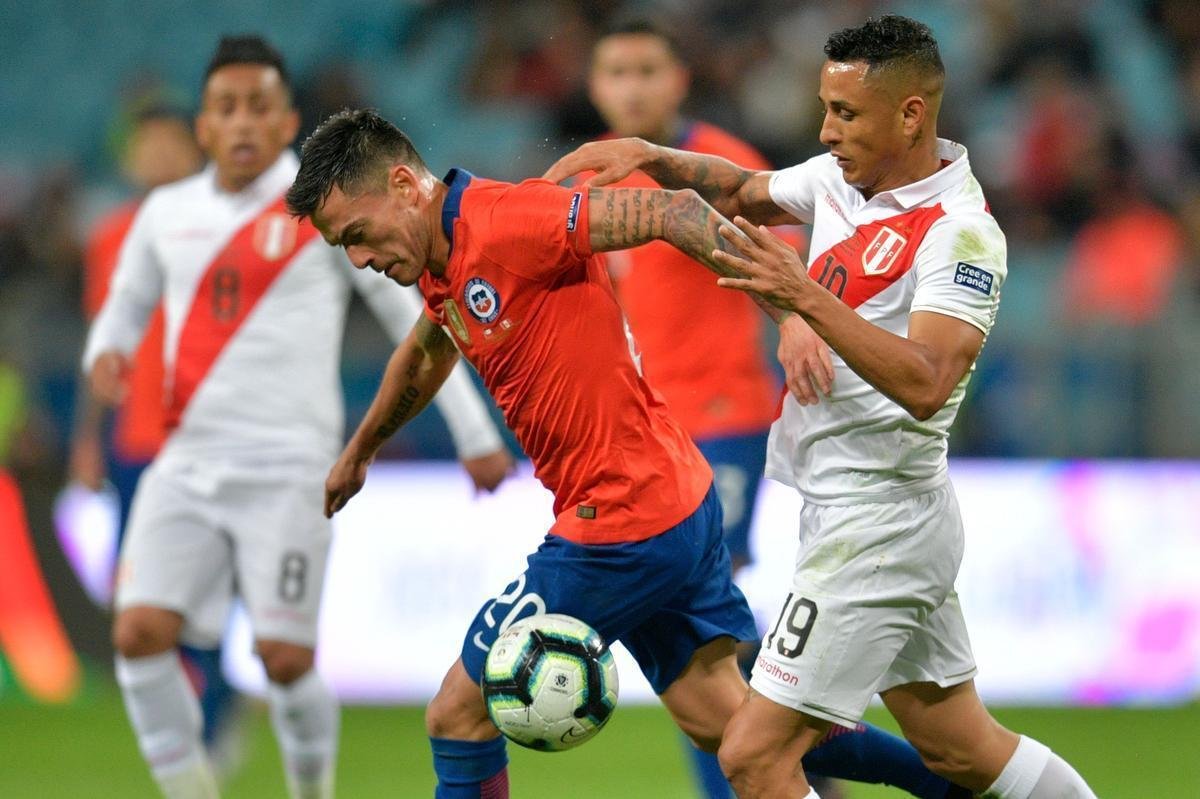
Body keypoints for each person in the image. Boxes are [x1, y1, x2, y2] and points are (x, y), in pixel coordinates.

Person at [544, 14, 1098, 799]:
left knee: (752, 754)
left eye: (845, 113)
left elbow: (927, 380)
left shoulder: (961, 233)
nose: (826, 129)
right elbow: (740, 191)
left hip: (879, 524)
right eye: (825, 108)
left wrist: (802, 296)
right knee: (960, 746)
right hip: (848, 508)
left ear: (911, 114)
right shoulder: (841, 180)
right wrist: (654, 157)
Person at [83, 37, 512, 799]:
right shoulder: (166, 213)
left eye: (260, 106)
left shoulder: (319, 209)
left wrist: (476, 434)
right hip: (184, 460)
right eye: (226, 107)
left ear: (287, 123)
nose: (243, 121)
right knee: (137, 634)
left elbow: (418, 321)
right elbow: (126, 304)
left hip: (289, 466)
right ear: (203, 127)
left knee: (283, 657)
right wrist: (109, 353)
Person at [583, 19, 965, 799]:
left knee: (704, 638)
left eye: (646, 69)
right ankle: (841, 772)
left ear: (676, 81)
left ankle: (788, 772)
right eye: (615, 71)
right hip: (654, 432)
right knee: (706, 642)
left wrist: (793, 322)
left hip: (726, 417)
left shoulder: (727, 161)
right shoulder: (604, 177)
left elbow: (780, 259)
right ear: (595, 86)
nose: (631, 86)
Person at [70, 102, 250, 767]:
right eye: (146, 146)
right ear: (128, 158)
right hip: (134, 443)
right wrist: (88, 436)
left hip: (210, 439)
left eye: (170, 144)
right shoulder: (109, 238)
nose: (158, 158)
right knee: (140, 597)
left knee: (203, 585)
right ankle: (220, 692)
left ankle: (209, 713)